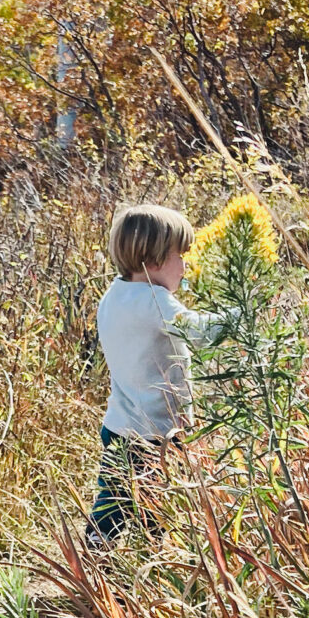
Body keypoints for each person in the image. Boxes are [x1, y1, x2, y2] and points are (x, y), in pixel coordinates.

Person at [86, 203, 222, 544]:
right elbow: (200, 332)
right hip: (157, 433)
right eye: (180, 255)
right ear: (156, 260)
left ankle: (96, 566)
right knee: (157, 508)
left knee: (112, 503)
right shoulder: (154, 300)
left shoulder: (113, 297)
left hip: (118, 427)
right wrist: (240, 315)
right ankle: (156, 565)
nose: (185, 265)